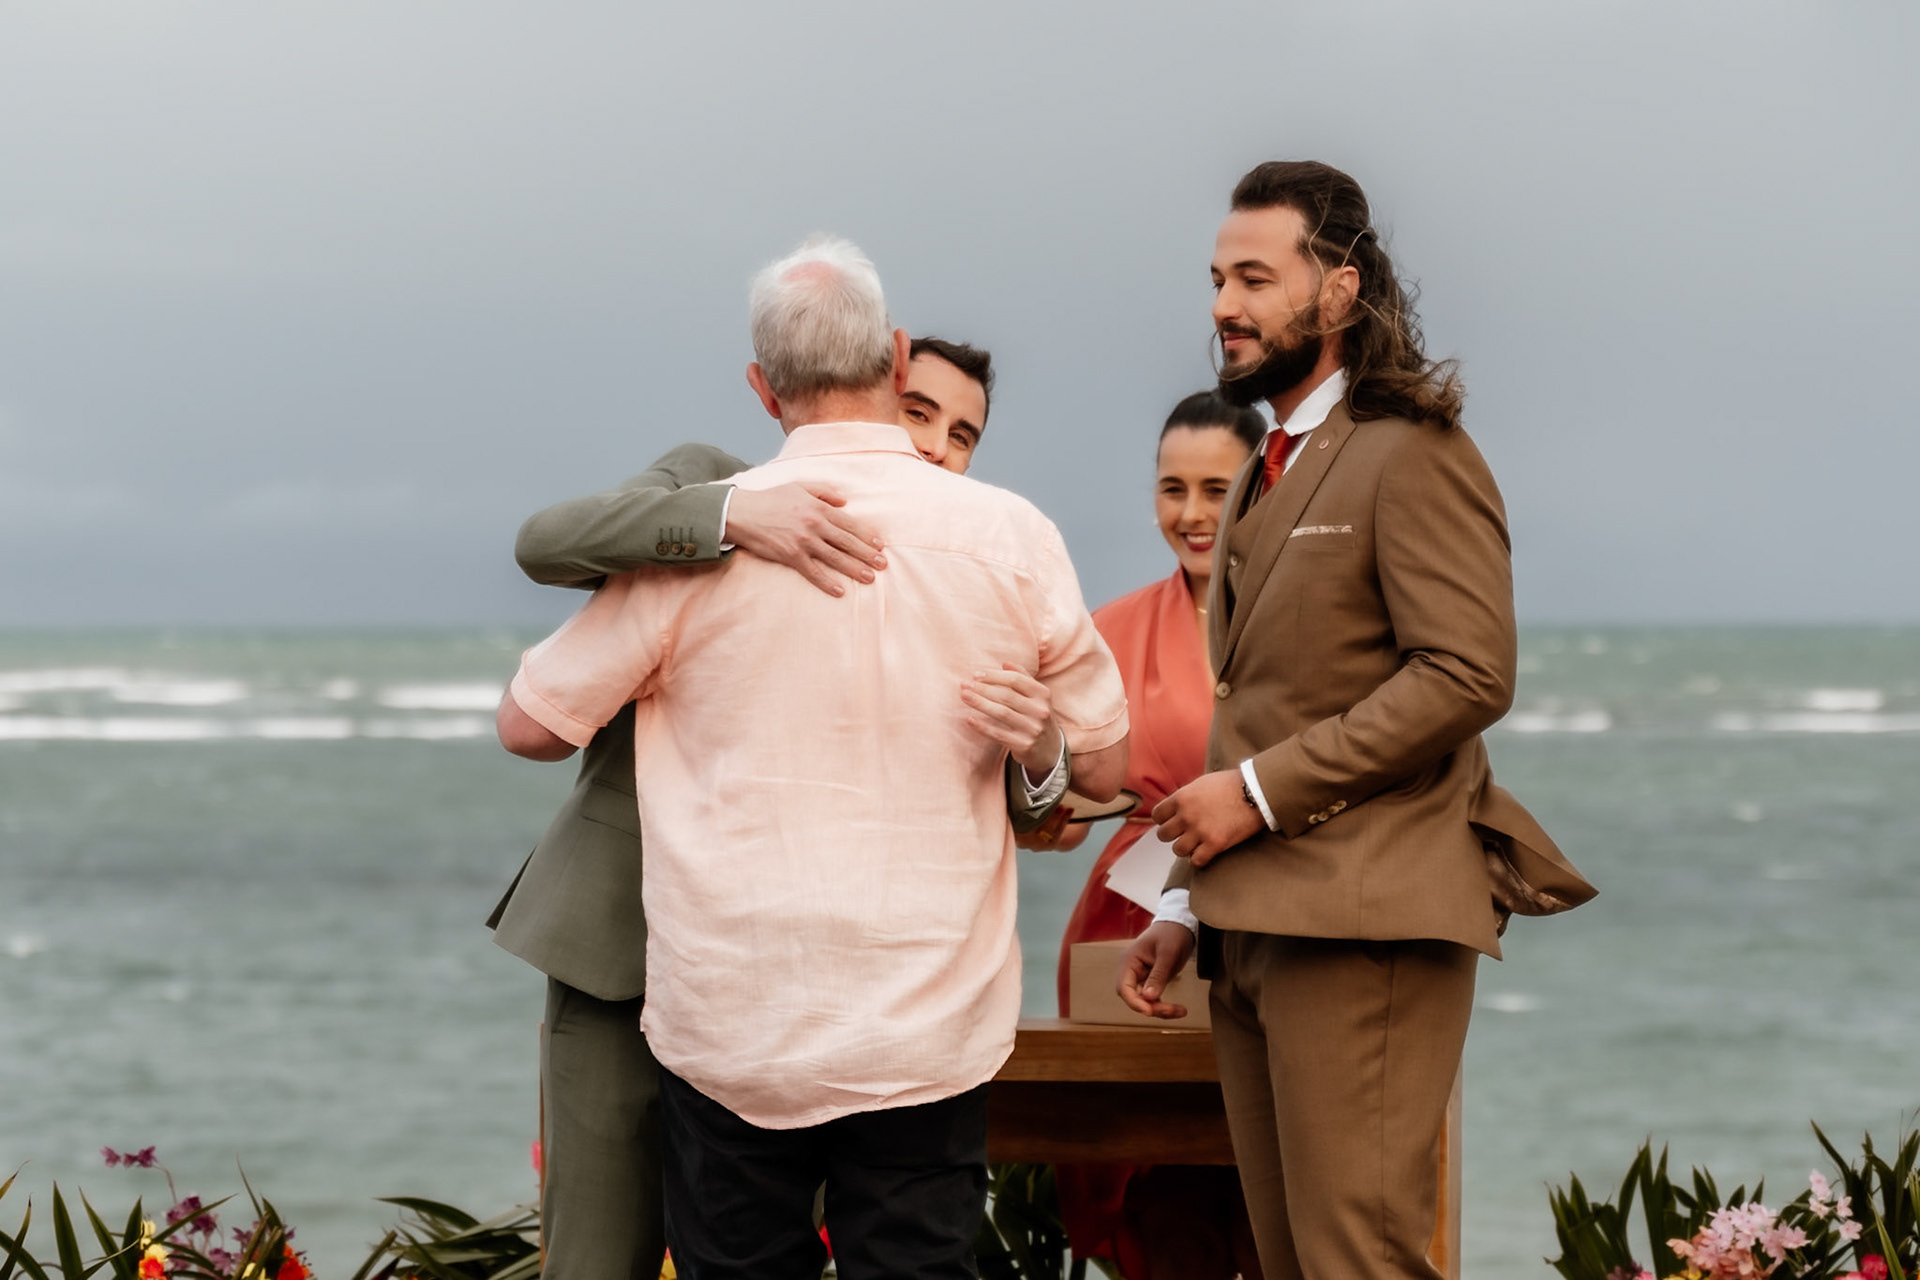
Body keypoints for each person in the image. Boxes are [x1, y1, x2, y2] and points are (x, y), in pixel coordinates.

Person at [497, 235, 1128, 1280]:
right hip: (924, 1024)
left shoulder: (702, 552)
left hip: (733, 1020)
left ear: (761, 387)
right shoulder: (1009, 536)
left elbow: (529, 724)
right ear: (894, 356)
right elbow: (1106, 769)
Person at [1118, 160, 1596, 1279]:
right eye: (1216, 279)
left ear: (1338, 290)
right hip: (1250, 926)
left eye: (1253, 277)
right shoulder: (1261, 472)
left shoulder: (1414, 449)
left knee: (1359, 1265)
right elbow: (1261, 704)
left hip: (1366, 926)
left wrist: (1252, 794)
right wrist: (1188, 904)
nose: (1223, 307)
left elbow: (1469, 672)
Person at [1032, 390, 1266, 1280]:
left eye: (1218, 487)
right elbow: (1053, 790)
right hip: (1126, 927)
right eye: (1173, 489)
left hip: (1271, 915)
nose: (1193, 514)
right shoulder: (1110, 632)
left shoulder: (1309, 624)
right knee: (1163, 1198)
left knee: (1277, 1190)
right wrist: (1040, 808)